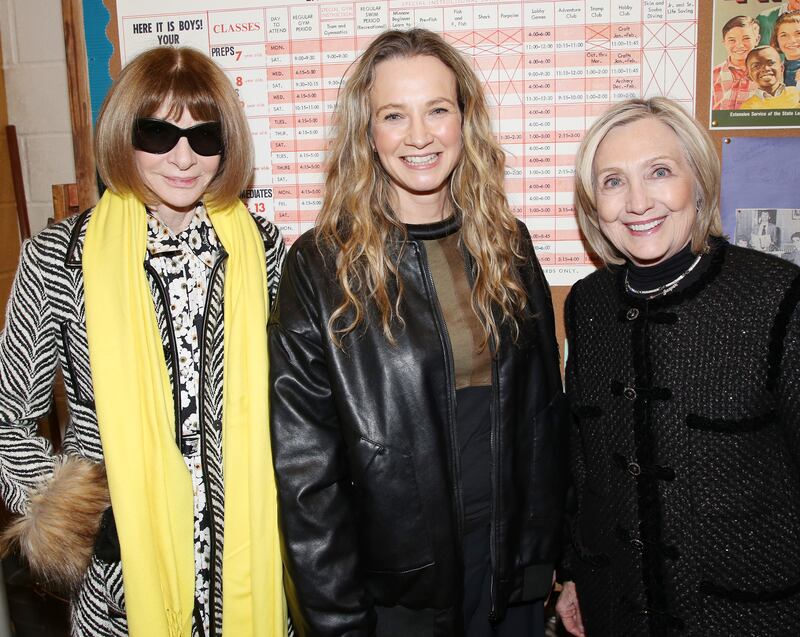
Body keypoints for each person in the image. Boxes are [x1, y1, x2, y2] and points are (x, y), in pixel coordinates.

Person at [269, 28, 567, 637]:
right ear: (367, 134)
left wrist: (554, 561)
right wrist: (334, 618)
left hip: (509, 574)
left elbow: (545, 417)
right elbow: (306, 475)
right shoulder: (321, 266)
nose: (419, 135)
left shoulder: (509, 242)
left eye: (437, 109)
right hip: (401, 596)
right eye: (393, 116)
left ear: (465, 120)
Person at [0, 47, 287, 636]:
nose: (183, 158)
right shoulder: (57, 258)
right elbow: (9, 422)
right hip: (123, 577)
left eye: (204, 137)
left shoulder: (262, 248)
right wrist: (78, 514)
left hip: (249, 558)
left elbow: (295, 405)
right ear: (122, 136)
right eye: (157, 133)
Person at [555, 96, 800, 636]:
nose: (638, 202)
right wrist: (574, 573)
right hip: (618, 607)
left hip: (750, 614)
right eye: (613, 181)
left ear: (699, 181)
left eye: (659, 172)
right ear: (594, 203)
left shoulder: (776, 298)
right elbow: (583, 462)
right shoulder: (588, 305)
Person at [711, 16, 759, 110]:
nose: (740, 45)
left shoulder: (768, 74)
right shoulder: (713, 75)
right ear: (724, 43)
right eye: (732, 40)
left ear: (757, 40)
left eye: (746, 38)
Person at [771, 11, 800, 86]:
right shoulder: (773, 72)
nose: (792, 40)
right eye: (784, 35)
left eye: (798, 34)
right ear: (776, 39)